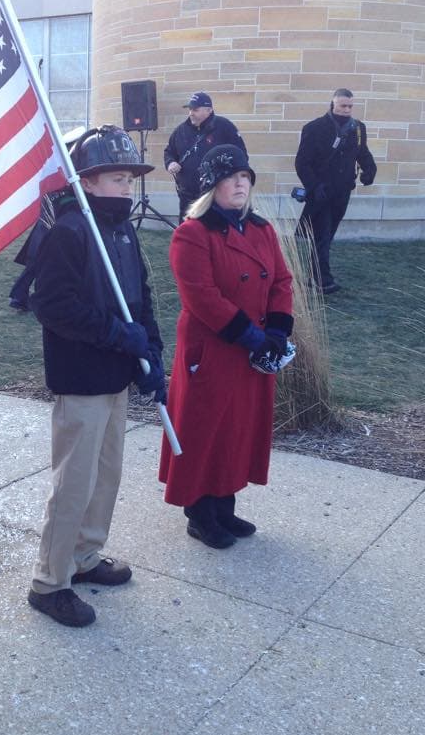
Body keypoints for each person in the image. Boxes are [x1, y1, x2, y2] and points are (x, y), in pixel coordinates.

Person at [27, 125, 166, 627]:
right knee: (74, 483)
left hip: (117, 375)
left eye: (129, 180)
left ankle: (85, 556)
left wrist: (151, 349)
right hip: (81, 375)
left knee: (106, 476)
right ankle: (50, 581)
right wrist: (116, 335)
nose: (126, 188)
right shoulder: (69, 231)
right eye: (115, 179)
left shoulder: (121, 228)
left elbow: (140, 294)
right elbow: (55, 306)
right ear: (86, 181)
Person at [158, 144, 293, 549]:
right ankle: (199, 513)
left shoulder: (261, 230)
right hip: (214, 350)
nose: (240, 183)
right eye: (231, 177)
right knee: (205, 430)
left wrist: (279, 335)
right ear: (211, 186)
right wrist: (254, 339)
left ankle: (225, 505)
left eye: (245, 177)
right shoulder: (191, 234)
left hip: (254, 352)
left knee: (239, 428)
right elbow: (202, 298)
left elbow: (282, 283)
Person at [295, 88, 377, 294]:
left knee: (327, 235)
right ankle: (323, 280)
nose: (347, 109)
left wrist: (370, 170)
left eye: (350, 106)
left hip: (342, 192)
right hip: (321, 193)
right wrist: (314, 186)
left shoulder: (358, 128)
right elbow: (302, 163)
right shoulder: (314, 128)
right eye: (343, 105)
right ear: (333, 104)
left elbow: (363, 153)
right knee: (322, 234)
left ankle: (314, 276)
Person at [9, 126, 85, 311]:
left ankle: (19, 295)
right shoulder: (62, 162)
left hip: (55, 211)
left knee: (39, 256)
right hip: (55, 212)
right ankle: (20, 296)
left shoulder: (64, 160)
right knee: (40, 256)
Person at [164, 91, 247, 221]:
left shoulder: (224, 127)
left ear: (209, 110)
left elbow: (241, 156)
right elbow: (169, 151)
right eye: (190, 109)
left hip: (215, 196)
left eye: (195, 109)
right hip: (187, 197)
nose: (191, 113)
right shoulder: (180, 131)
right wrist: (170, 163)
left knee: (214, 234)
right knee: (188, 235)